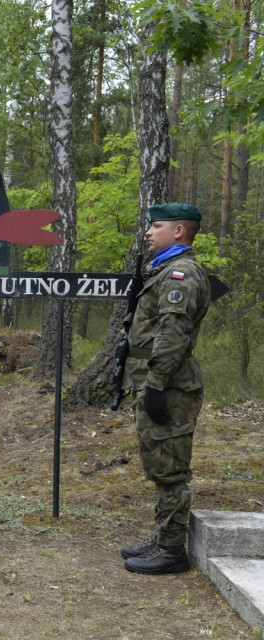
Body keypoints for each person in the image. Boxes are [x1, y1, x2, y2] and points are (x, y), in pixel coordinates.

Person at [120, 203, 211, 575]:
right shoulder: (163, 271)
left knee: (171, 468)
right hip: (158, 381)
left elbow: (173, 335)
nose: (147, 232)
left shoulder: (180, 275)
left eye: (156, 225)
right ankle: (163, 537)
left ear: (178, 231)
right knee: (160, 463)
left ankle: (172, 550)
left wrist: (155, 386)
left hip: (170, 385)